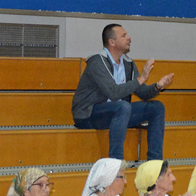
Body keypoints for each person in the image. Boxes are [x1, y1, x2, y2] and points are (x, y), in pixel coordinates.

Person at [71, 23, 173, 161]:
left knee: (157, 107)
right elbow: (113, 93)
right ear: (112, 42)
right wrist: (141, 78)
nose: (129, 38)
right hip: (89, 115)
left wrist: (158, 86)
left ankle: (154, 162)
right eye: (124, 36)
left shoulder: (128, 63)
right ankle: (116, 162)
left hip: (118, 113)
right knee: (123, 106)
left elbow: (142, 92)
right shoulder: (97, 61)